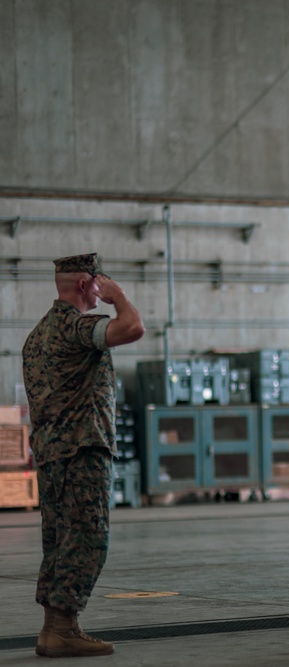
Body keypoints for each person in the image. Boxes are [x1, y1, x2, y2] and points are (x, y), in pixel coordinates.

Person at [22, 253, 145, 658]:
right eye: (98, 282)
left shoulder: (37, 335)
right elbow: (132, 328)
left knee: (59, 541)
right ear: (85, 284)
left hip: (52, 453)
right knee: (88, 538)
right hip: (82, 448)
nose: (102, 288)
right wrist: (119, 296)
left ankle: (52, 630)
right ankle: (64, 628)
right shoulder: (76, 326)